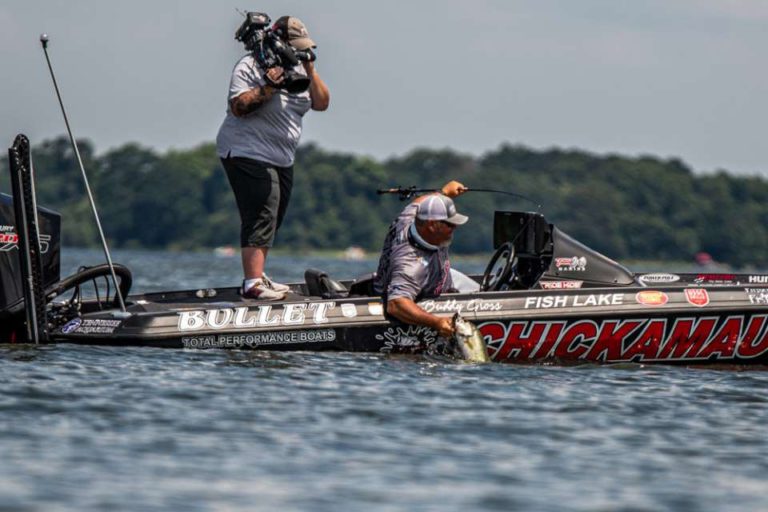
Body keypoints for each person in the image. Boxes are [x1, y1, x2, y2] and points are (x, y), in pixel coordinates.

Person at [216, 16, 330, 300]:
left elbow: (322, 103)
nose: (301, 52)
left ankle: (259, 274)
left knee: (272, 217)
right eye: (297, 47)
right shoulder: (251, 66)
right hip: (247, 151)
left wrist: (310, 68)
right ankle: (252, 284)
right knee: (262, 213)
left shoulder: (300, 69)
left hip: (282, 157)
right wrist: (269, 87)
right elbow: (239, 106)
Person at [373, 181, 468, 338]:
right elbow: (395, 305)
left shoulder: (411, 217)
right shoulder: (410, 266)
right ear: (431, 225)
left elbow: (419, 203)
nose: (455, 228)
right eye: (450, 224)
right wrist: (436, 323)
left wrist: (444, 192)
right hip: (414, 289)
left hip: (442, 280)